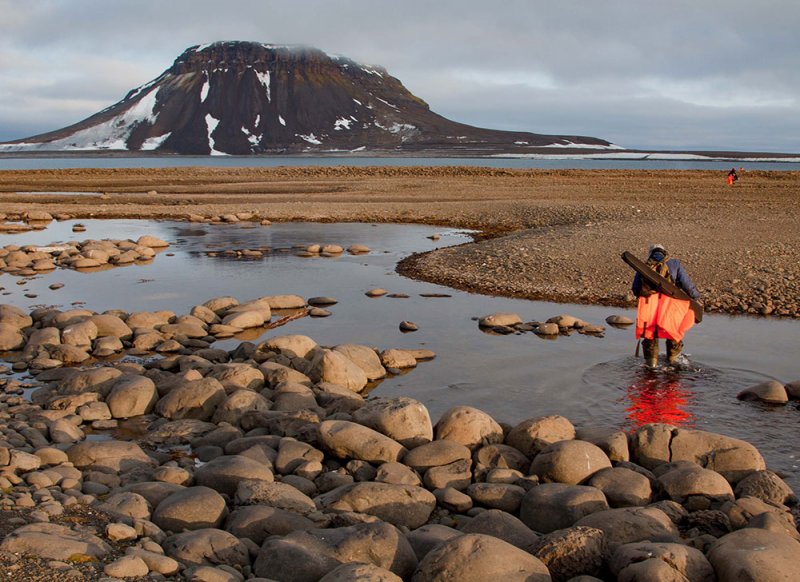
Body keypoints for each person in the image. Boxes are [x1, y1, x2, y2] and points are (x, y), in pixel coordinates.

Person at [632, 244, 701, 368]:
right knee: (672, 331)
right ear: (664, 252)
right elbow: (687, 284)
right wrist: (696, 298)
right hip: (670, 306)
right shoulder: (674, 263)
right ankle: (672, 361)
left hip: (650, 306)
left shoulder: (644, 266)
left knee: (650, 334)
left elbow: (635, 288)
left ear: (650, 253)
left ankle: (652, 364)